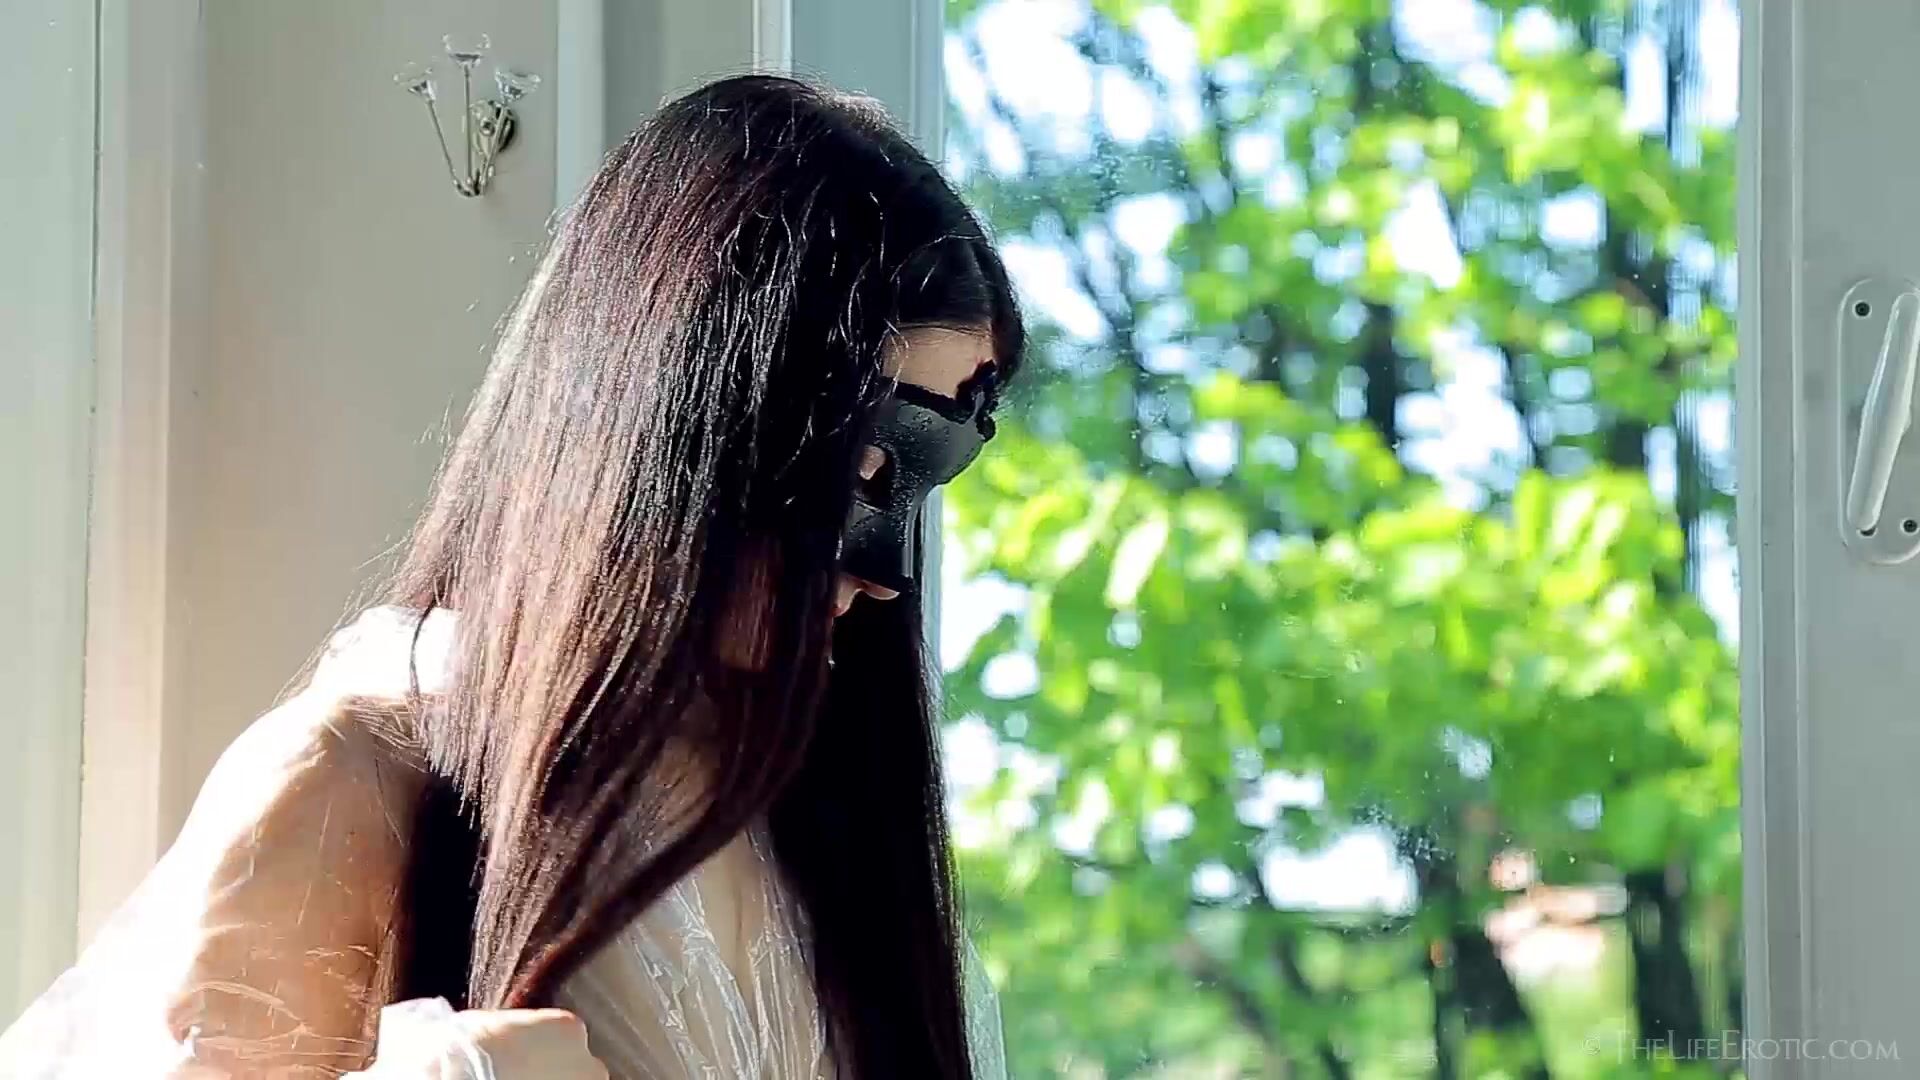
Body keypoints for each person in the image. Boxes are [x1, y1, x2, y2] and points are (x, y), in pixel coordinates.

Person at [0, 74, 1024, 1079]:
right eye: (858, 469)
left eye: (920, 487)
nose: (882, 578)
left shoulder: (818, 824)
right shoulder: (359, 785)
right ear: (683, 423)